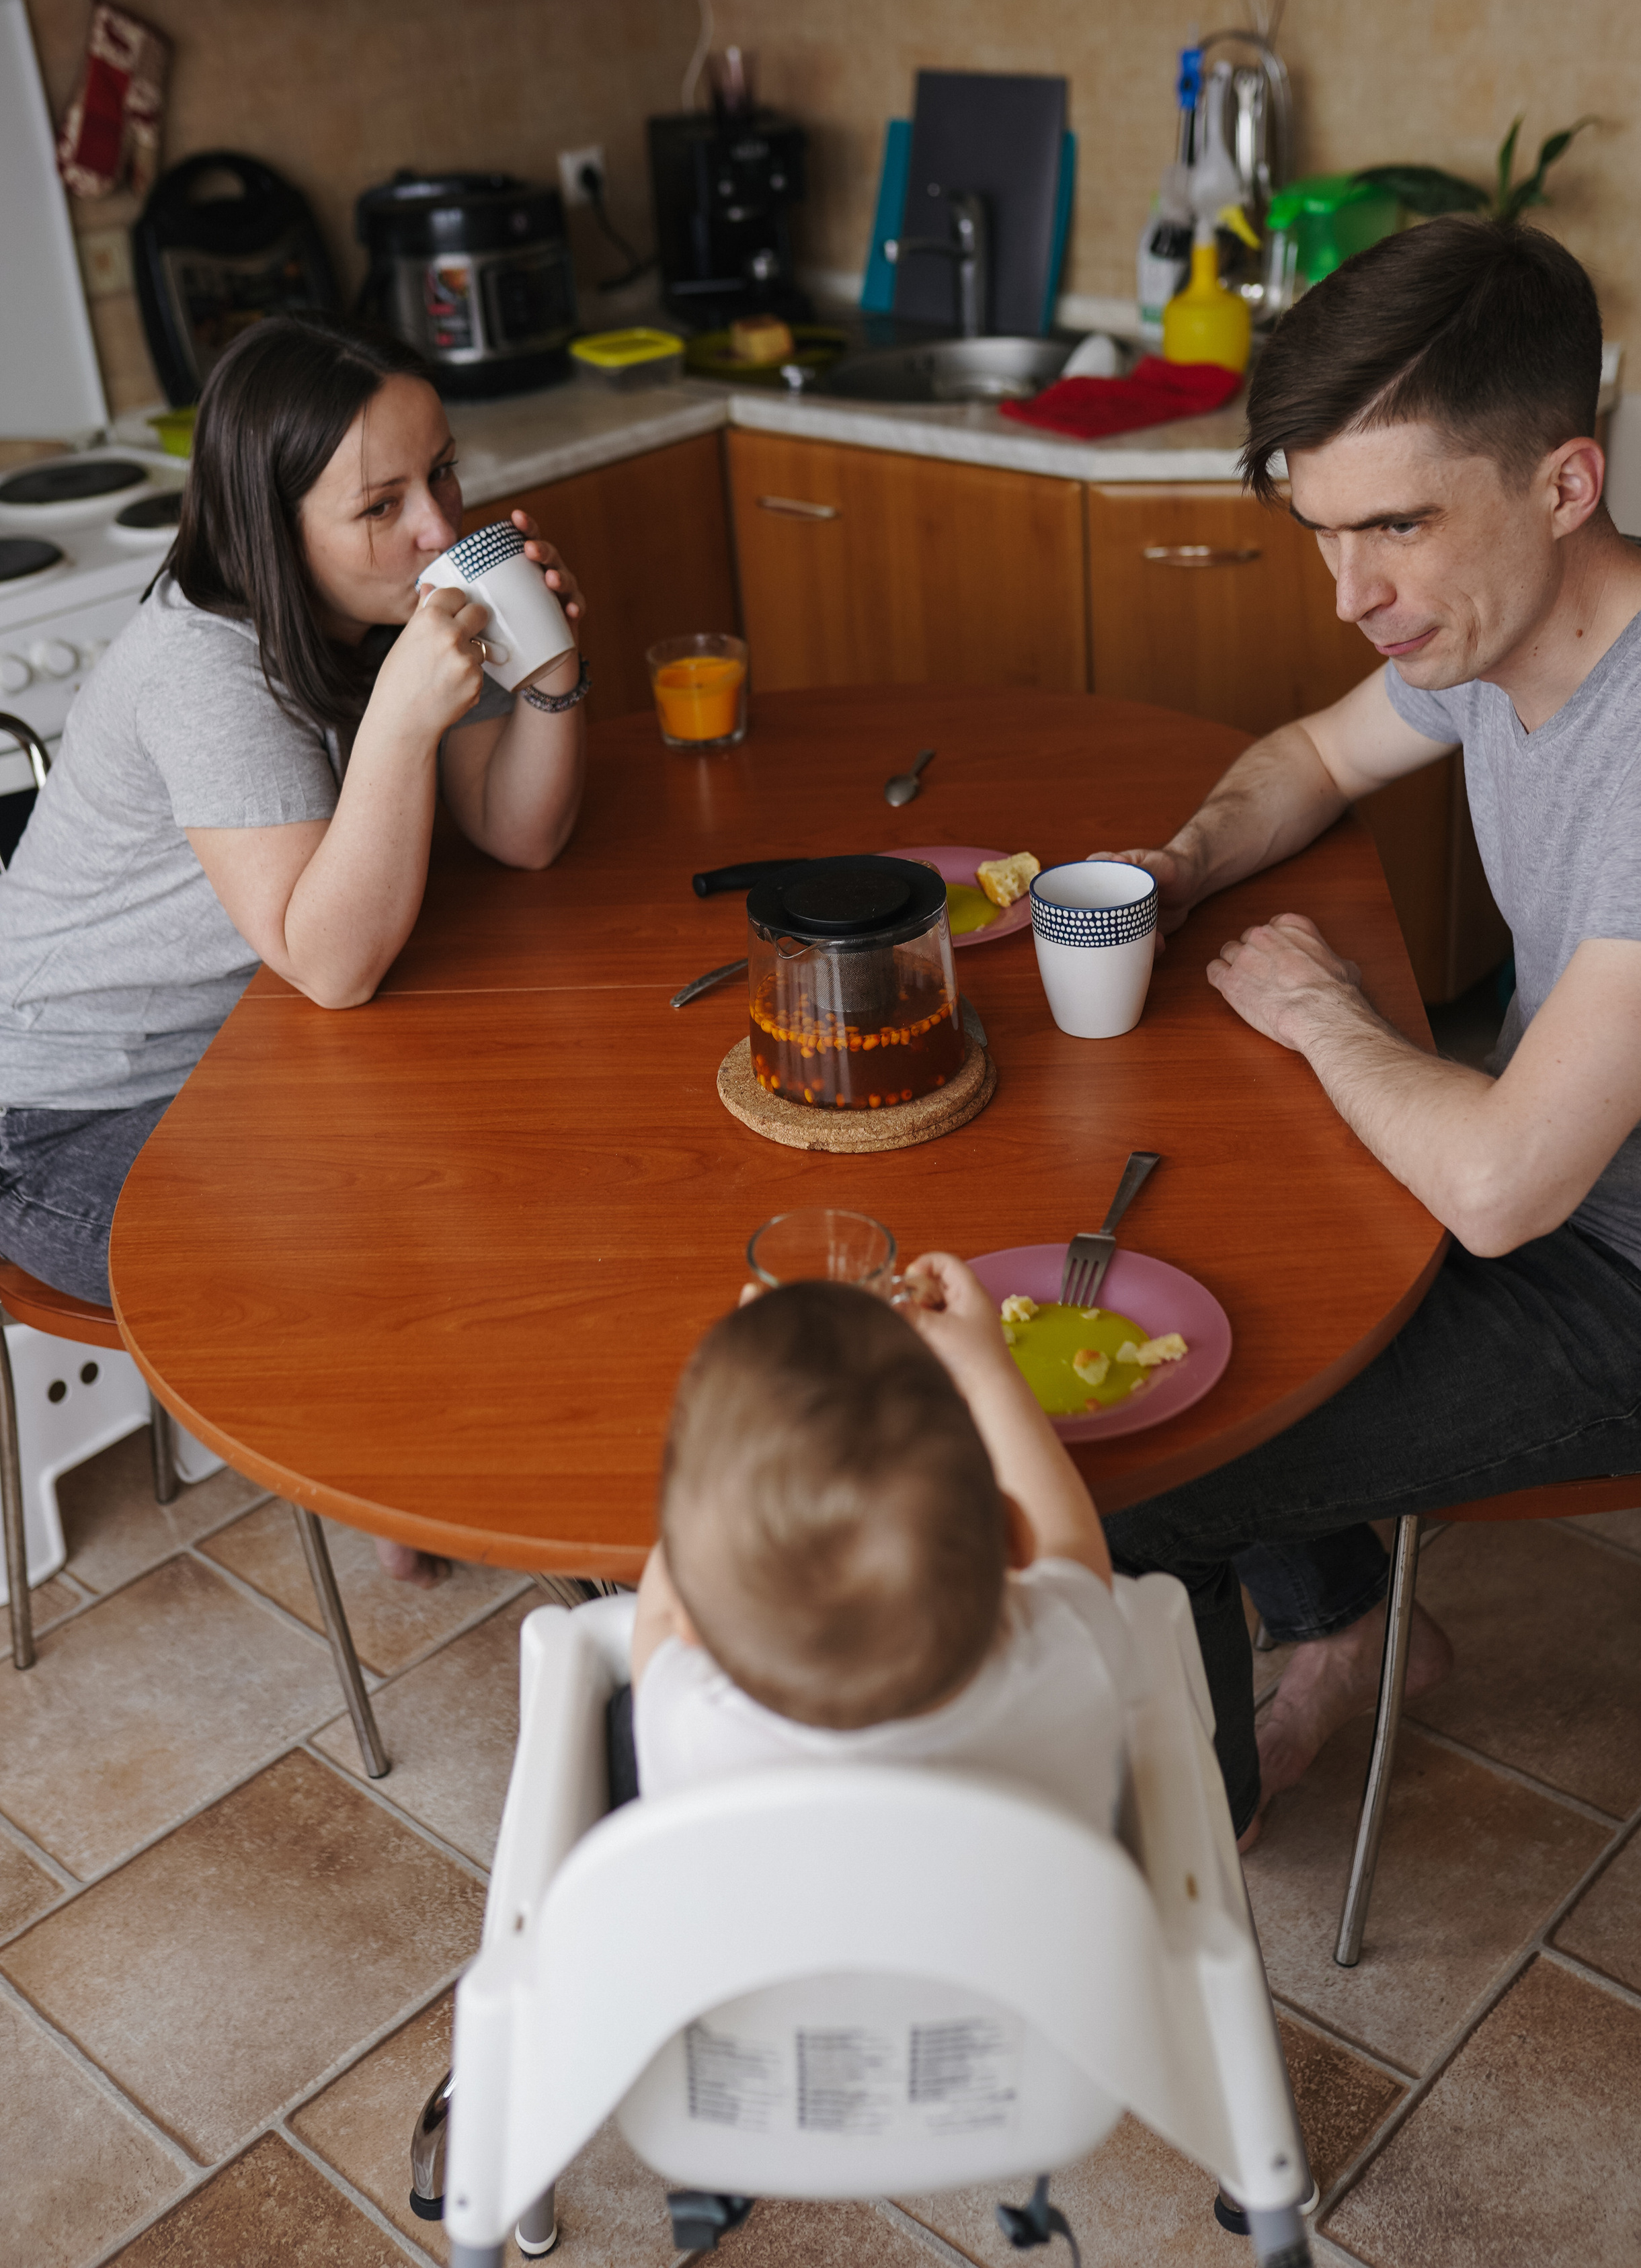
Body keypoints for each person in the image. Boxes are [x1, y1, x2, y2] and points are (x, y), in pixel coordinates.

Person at [1096, 216, 1641, 1841]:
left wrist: (1324, 1013)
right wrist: (1182, 866)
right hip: (1550, 1178)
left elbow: (1502, 1188)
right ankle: (1346, 1623)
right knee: (1186, 1241)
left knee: (1140, 1460)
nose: (1350, 596)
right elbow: (1310, 756)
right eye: (1322, 534)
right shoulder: (1489, 619)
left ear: (1564, 484)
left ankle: (1183, 1857)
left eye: (1392, 527)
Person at [0, 315, 590, 1579]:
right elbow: (332, 963)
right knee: (381, 1232)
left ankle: (475, 1455)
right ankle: (426, 1478)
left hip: (242, 1054)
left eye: (442, 473)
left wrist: (547, 672)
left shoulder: (383, 606)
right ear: (277, 530)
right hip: (53, 1118)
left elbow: (518, 834)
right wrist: (399, 725)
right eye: (383, 504)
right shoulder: (203, 667)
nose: (436, 525)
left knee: (534, 1132)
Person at [626, 1257, 1132, 1831]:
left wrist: (750, 1407)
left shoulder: (685, 1721)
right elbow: (1069, 1540)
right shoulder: (1068, 1656)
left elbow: (660, 1605)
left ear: (689, 1624)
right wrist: (986, 1369)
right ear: (1014, 1542)